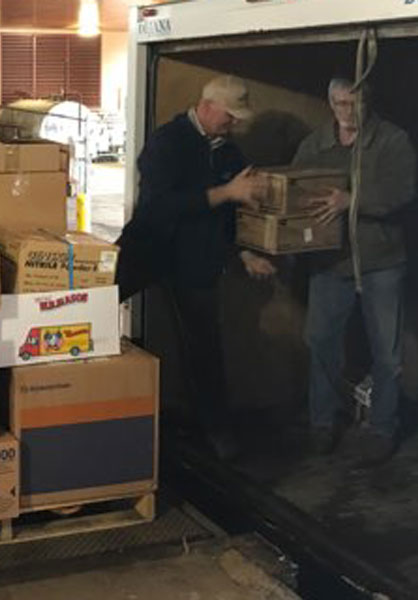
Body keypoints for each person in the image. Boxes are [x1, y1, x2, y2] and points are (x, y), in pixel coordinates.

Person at [115, 74, 270, 460]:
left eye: (237, 118)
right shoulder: (166, 143)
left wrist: (244, 253)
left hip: (196, 262)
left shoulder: (231, 155)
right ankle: (94, 407)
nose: (232, 124)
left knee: (205, 347)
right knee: (92, 310)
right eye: (228, 116)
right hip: (147, 250)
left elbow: (230, 217)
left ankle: (215, 430)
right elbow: (160, 206)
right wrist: (225, 192)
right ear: (207, 105)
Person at [290, 78, 416, 464]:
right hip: (331, 260)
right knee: (321, 341)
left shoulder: (393, 141)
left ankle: (382, 428)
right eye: (341, 104)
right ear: (330, 104)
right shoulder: (315, 145)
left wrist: (352, 200)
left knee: (387, 352)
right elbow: (294, 188)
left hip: (380, 259)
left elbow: (402, 192)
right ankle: (322, 424)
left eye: (355, 103)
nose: (348, 112)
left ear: (368, 102)